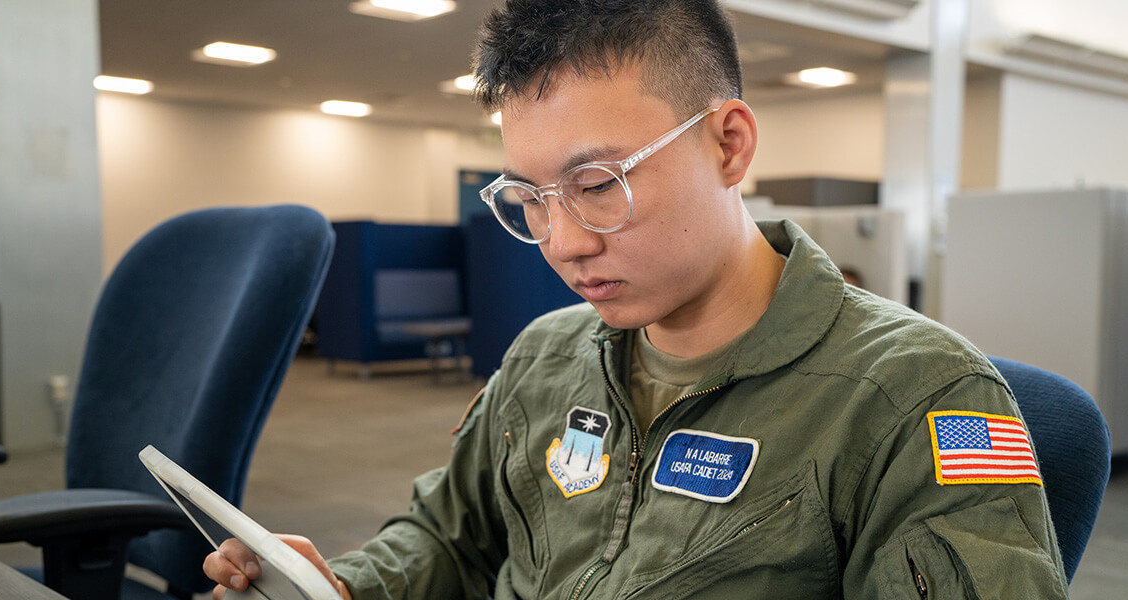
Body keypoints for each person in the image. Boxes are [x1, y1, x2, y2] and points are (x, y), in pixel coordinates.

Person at [205, 0, 1069, 597]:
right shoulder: (546, 356)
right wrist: (345, 585)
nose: (564, 240)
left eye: (598, 182)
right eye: (530, 197)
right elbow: (448, 540)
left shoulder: (918, 398)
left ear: (729, 145)